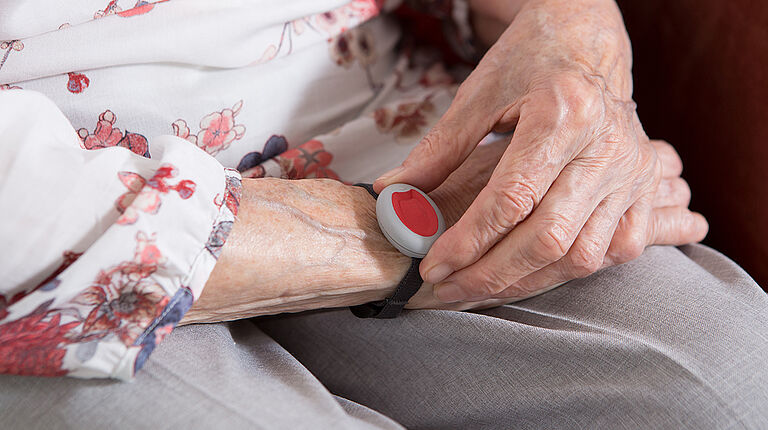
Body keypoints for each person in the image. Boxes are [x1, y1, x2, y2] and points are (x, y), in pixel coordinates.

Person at [0, 0, 765, 428]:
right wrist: (386, 237)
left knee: (730, 388)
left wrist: (567, 31)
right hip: (59, 246)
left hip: (400, 122)